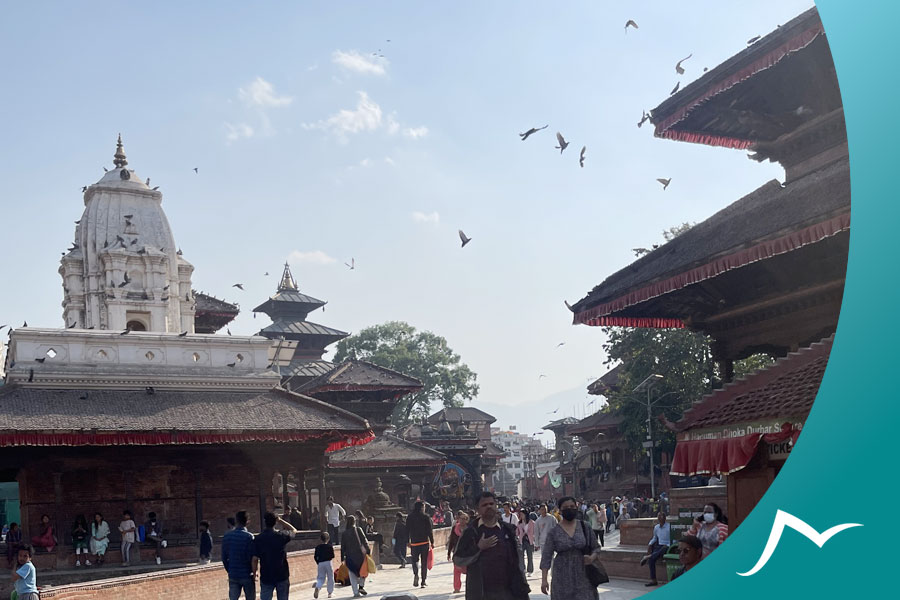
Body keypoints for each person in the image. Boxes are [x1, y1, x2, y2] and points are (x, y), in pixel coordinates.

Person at [453, 491, 529, 600]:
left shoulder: (507, 530)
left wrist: (523, 587)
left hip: (508, 591)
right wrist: (478, 548)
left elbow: (518, 561)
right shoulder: (471, 532)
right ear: (477, 509)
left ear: (496, 505)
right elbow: (458, 559)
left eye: (491, 504)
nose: (489, 507)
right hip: (481, 592)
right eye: (484, 505)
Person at [540, 496, 603, 600]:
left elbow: (596, 548)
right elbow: (546, 556)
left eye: (572, 506)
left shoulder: (585, 526)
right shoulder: (554, 532)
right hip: (561, 576)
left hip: (583, 575)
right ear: (560, 510)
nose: (569, 509)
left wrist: (591, 558)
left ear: (576, 507)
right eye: (565, 507)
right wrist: (544, 580)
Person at [253, 511, 299, 600]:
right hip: (282, 574)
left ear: (265, 522)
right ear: (275, 522)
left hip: (266, 575)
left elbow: (254, 559)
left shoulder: (258, 538)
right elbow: (294, 530)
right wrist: (280, 520)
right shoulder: (281, 536)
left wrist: (254, 573)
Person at [222, 510, 258, 600]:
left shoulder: (227, 536)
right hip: (247, 574)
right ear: (248, 521)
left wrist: (229, 570)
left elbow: (224, 557)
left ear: (236, 521)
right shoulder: (249, 537)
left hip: (233, 573)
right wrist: (254, 572)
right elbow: (253, 558)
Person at [339, 514, 370, 598]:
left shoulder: (344, 533)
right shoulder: (358, 530)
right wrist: (368, 551)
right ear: (354, 522)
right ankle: (361, 586)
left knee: (352, 574)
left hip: (349, 557)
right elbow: (364, 541)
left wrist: (342, 558)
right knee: (363, 571)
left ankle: (355, 592)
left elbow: (343, 547)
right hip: (360, 556)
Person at [639, 512, 671, 587]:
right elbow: (655, 538)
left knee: (663, 549)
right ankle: (654, 580)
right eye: (658, 517)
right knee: (652, 560)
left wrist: (668, 545)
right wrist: (649, 544)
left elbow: (672, 539)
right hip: (659, 546)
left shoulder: (669, 527)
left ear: (665, 518)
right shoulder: (656, 527)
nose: (660, 518)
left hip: (667, 546)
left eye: (661, 516)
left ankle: (647, 556)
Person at [406, 501, 434, 588]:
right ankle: (423, 581)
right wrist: (432, 541)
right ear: (421, 507)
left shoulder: (410, 517)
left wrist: (407, 541)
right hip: (424, 542)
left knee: (414, 561)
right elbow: (430, 530)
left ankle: (416, 574)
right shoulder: (426, 517)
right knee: (424, 562)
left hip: (414, 543)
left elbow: (407, 530)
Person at [448, 512, 469, 593]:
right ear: (458, 519)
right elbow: (451, 541)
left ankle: (469, 586)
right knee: (456, 570)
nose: (462, 521)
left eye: (464, 519)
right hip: (457, 552)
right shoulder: (455, 528)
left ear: (467, 520)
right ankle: (457, 588)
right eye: (461, 519)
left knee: (468, 570)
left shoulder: (469, 529)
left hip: (467, 552)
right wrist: (449, 553)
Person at [313, 532, 335, 599]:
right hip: (328, 562)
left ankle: (318, 587)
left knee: (320, 577)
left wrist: (318, 562)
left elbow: (315, 556)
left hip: (320, 563)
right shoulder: (329, 546)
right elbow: (332, 555)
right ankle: (330, 593)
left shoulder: (318, 547)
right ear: (328, 539)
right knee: (330, 577)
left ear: (321, 539)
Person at [516, 509, 534, 576]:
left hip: (529, 540)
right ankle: (522, 569)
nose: (521, 516)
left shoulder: (531, 522)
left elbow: (533, 532)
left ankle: (530, 570)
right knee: (521, 556)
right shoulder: (519, 523)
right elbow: (517, 532)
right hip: (522, 540)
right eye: (520, 515)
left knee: (530, 556)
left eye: (522, 514)